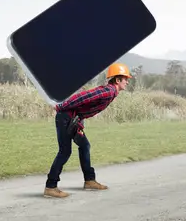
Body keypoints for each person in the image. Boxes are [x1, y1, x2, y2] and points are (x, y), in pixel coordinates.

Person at [43, 62, 132, 198]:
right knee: (65, 151)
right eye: (126, 79)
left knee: (84, 145)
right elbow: (83, 97)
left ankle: (89, 180)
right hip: (65, 117)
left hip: (73, 119)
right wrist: (61, 107)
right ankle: (51, 187)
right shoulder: (108, 91)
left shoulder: (111, 92)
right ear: (118, 79)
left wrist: (79, 123)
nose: (127, 82)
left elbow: (83, 108)